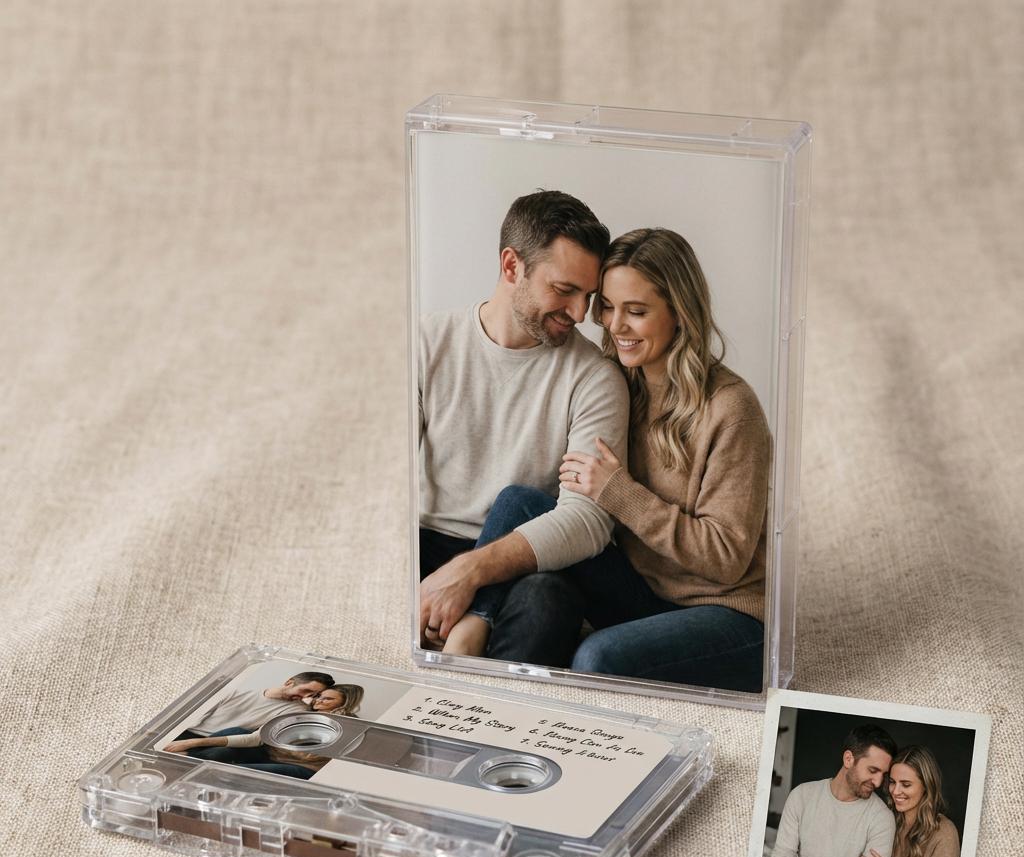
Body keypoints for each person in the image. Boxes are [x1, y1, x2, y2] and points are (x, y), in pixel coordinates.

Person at [442, 227, 770, 689]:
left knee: (596, 656)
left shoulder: (732, 409)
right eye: (608, 307)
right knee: (520, 500)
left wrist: (620, 493)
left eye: (636, 311)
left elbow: (726, 559)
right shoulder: (617, 383)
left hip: (726, 614)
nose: (615, 326)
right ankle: (469, 632)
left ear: (680, 313)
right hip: (643, 594)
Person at [417, 190, 629, 665]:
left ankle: (473, 697)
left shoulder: (595, 377)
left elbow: (589, 520)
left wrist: (471, 573)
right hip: (425, 538)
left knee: (548, 602)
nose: (579, 314)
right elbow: (381, 483)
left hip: (523, 555)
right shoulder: (427, 342)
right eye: (564, 290)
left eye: (588, 296)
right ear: (512, 266)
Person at [757, 724, 897, 857]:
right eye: (873, 770)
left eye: (883, 774)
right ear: (848, 759)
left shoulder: (882, 817)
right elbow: (783, 856)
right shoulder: (801, 795)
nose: (879, 782)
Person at [850, 746, 961, 857]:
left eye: (906, 784)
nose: (895, 791)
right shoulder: (893, 818)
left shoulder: (945, 832)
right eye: (893, 782)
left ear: (926, 786)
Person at [164, 685, 365, 779]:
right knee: (237, 732)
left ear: (344, 704)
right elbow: (255, 738)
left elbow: (310, 754)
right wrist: (192, 742)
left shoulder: (347, 724)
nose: (318, 700)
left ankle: (186, 765)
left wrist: (192, 744)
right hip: (267, 755)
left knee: (234, 772)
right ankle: (185, 761)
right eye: (319, 696)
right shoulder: (300, 712)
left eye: (327, 699)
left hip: (301, 769)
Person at [170, 671, 334, 759]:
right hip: (189, 732)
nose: (307, 697)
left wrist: (192, 743)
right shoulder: (238, 691)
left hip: (216, 742)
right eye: (306, 690)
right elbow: (191, 717)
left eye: (313, 695)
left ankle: (187, 757)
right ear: (289, 682)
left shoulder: (298, 711)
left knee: (230, 743)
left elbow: (256, 739)